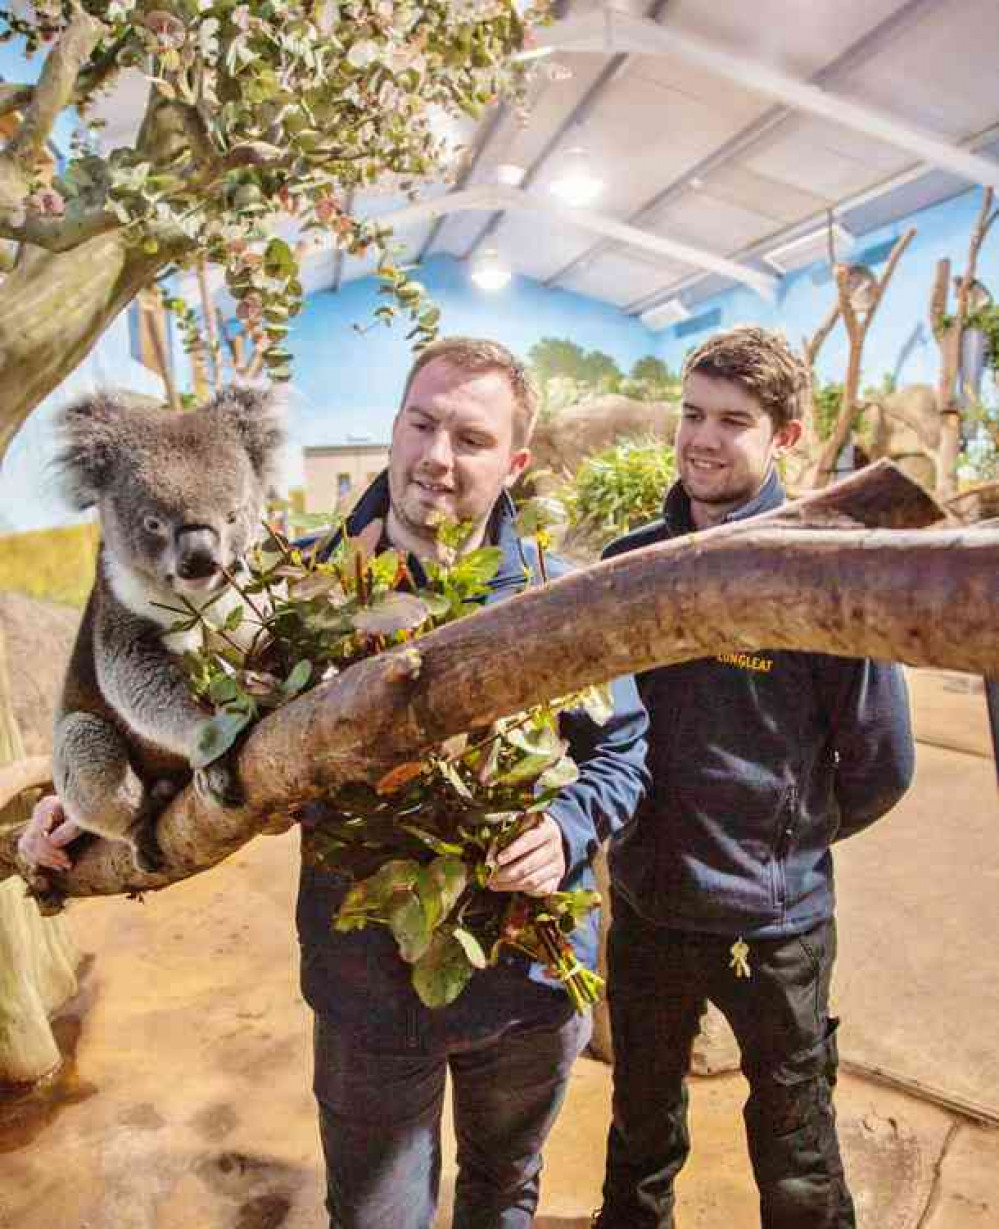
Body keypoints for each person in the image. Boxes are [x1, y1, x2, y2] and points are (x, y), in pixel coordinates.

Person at [21, 336, 650, 1229]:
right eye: (422, 423)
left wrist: (568, 823)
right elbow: (185, 712)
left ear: (514, 461)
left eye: (469, 439)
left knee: (504, 1192)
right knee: (372, 1213)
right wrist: (81, 803)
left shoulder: (558, 596)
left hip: (525, 981)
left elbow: (622, 750)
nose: (437, 455)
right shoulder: (286, 591)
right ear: (392, 427)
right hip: (367, 987)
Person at [593, 325, 915, 1229]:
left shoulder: (819, 574)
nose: (700, 437)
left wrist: (787, 832)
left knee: (795, 1146)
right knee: (639, 1124)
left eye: (731, 420)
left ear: (785, 435)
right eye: (690, 413)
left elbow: (883, 764)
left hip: (775, 920)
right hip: (649, 904)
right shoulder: (626, 565)